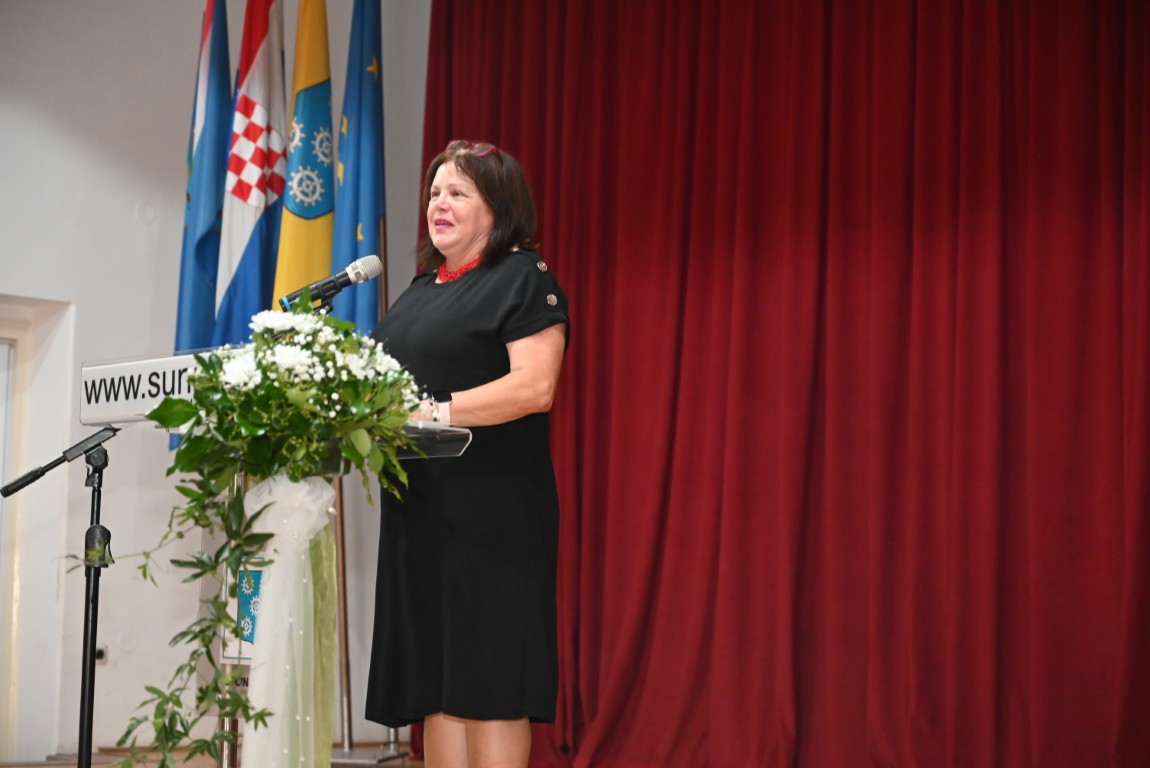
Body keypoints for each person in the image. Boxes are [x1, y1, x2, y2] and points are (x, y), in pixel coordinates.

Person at [366, 140, 568, 768]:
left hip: (493, 514)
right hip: (420, 512)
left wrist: (433, 412)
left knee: (489, 684)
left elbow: (535, 387)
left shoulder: (521, 278)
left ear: (497, 208)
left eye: (458, 193)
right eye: (434, 193)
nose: (439, 204)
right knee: (438, 683)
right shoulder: (419, 291)